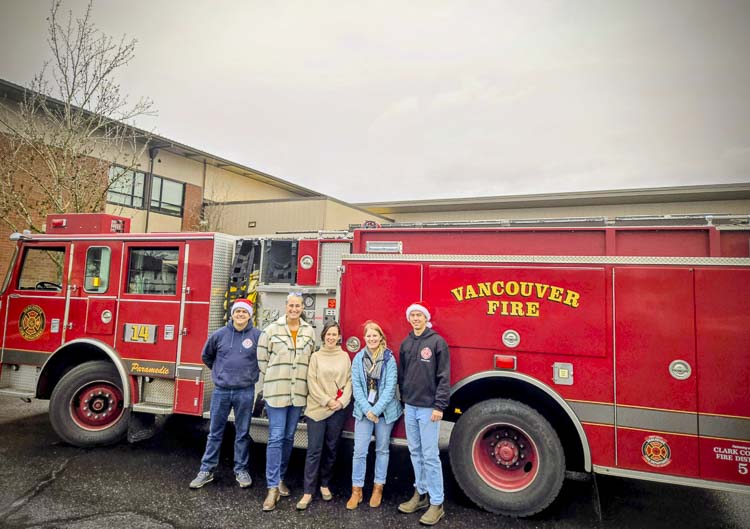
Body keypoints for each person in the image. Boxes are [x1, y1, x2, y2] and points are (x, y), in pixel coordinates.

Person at [189, 299, 260, 490]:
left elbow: (263, 358)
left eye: (244, 312)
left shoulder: (257, 336)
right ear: (232, 314)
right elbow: (207, 356)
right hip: (221, 390)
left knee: (243, 433)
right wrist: (219, 372)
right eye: (237, 312)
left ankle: (241, 470)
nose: (240, 315)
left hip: (245, 391)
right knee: (215, 432)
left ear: (250, 315)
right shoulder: (219, 335)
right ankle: (206, 470)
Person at [258, 292, 316, 511]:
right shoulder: (271, 330)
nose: (294, 309)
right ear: (286, 306)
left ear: (303, 308)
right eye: (291, 305)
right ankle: (272, 487)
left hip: (298, 394)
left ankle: (280, 478)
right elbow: (262, 360)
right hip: (276, 392)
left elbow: (310, 359)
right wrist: (276, 377)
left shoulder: (309, 332)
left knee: (289, 437)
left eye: (298, 306)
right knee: (275, 437)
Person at [397, 301, 450, 526]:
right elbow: (402, 374)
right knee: (415, 452)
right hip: (410, 406)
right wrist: (403, 401)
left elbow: (444, 377)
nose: (416, 318)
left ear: (426, 318)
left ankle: (437, 503)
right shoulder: (406, 342)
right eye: (413, 315)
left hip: (429, 408)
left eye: (419, 315)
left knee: (430, 455)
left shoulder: (437, 342)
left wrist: (439, 406)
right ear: (409, 319)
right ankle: (421, 494)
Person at [295, 321, 353, 510]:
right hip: (317, 409)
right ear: (323, 336)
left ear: (339, 337)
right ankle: (308, 491)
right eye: (328, 334)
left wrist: (341, 402)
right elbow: (311, 382)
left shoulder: (344, 356)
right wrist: (327, 401)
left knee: (331, 449)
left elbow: (349, 381)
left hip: (337, 409)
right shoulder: (316, 357)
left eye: (334, 334)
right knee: (314, 451)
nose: (331, 337)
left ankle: (324, 484)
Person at [347, 320, 403, 510]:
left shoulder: (389, 358)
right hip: (364, 412)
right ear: (364, 338)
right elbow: (356, 386)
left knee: (382, 450)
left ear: (381, 338)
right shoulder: (358, 358)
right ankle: (357, 490)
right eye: (368, 336)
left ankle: (378, 488)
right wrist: (367, 410)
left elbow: (389, 388)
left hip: (384, 412)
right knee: (359, 451)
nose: (371, 339)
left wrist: (376, 410)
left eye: (374, 336)